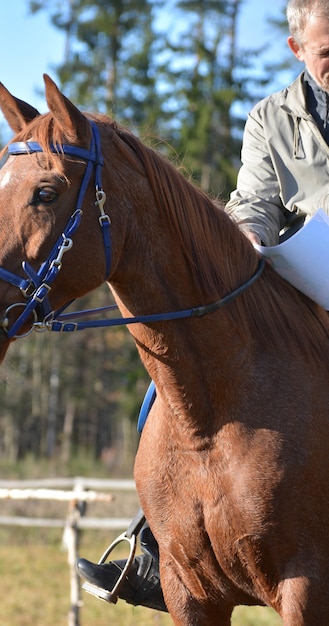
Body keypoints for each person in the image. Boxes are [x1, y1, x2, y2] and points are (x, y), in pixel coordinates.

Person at [75, 0, 329, 611]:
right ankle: (155, 544)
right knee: (168, 392)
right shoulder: (270, 117)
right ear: (298, 51)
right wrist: (244, 234)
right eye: (328, 53)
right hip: (304, 286)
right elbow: (255, 200)